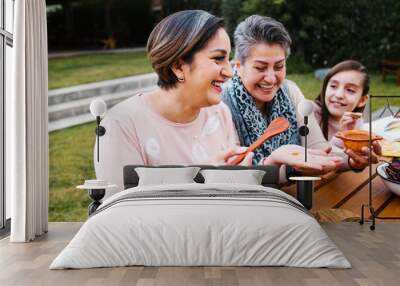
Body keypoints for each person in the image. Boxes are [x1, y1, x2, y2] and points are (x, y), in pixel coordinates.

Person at [94, 10, 341, 198]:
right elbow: (120, 211)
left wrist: (272, 165)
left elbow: (232, 192)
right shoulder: (121, 124)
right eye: (218, 59)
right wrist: (210, 175)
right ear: (179, 65)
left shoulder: (218, 113)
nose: (229, 72)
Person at [221, 15, 378, 181]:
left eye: (279, 66)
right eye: (260, 68)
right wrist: (290, 170)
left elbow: (318, 148)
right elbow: (234, 176)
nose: (271, 78)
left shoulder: (291, 91)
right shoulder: (222, 102)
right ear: (238, 67)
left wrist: (353, 161)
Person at [313, 60, 381, 170]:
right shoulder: (311, 114)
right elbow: (315, 160)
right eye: (333, 86)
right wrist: (341, 136)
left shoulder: (356, 121)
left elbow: (352, 158)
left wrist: (355, 161)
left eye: (350, 90)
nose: (339, 95)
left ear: (362, 100)